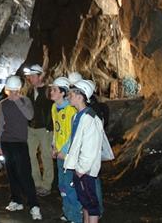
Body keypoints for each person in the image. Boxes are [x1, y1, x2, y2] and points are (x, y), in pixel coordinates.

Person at [0, 75, 42, 220]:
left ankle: (34, 205)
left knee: (25, 174)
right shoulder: (2, 104)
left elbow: (30, 116)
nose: (13, 93)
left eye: (15, 90)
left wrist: (18, 102)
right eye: (11, 91)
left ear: (19, 89)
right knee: (12, 173)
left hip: (20, 143)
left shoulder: (25, 100)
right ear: (7, 90)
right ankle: (16, 200)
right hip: (6, 143)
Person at [64, 79, 108, 223]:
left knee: (91, 203)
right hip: (80, 167)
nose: (68, 96)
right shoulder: (78, 116)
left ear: (80, 96)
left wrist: (81, 168)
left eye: (71, 94)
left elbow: (90, 146)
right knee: (85, 202)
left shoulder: (90, 118)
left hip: (85, 170)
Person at [49, 76, 81, 223]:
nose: (51, 92)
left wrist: (65, 151)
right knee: (61, 186)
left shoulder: (71, 110)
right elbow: (57, 129)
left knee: (70, 186)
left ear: (62, 92)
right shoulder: (54, 107)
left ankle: (76, 216)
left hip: (69, 155)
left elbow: (73, 134)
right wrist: (54, 146)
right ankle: (67, 212)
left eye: (54, 89)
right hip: (60, 152)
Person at [24, 64, 54, 196]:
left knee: (46, 155)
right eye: (30, 76)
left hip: (44, 128)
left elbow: (53, 110)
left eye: (33, 76)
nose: (30, 78)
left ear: (40, 76)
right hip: (31, 127)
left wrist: (51, 127)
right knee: (30, 155)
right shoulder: (30, 91)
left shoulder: (49, 91)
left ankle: (47, 184)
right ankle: (36, 182)